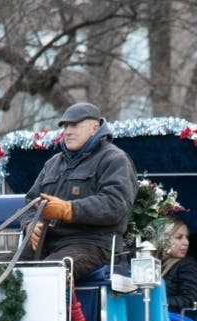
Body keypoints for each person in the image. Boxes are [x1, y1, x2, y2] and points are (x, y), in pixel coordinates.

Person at [22, 102, 138, 282]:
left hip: (93, 244)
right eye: (65, 126)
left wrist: (68, 210)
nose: (67, 131)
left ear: (94, 128)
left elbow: (115, 205)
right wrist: (30, 224)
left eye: (74, 125)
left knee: (49, 274)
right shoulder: (53, 163)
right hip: (47, 243)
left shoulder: (114, 159)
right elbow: (30, 202)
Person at [161, 218, 197, 314]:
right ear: (163, 239)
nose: (186, 243)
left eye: (187, 237)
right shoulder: (154, 263)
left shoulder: (188, 265)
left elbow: (192, 301)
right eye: (179, 237)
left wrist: (158, 302)